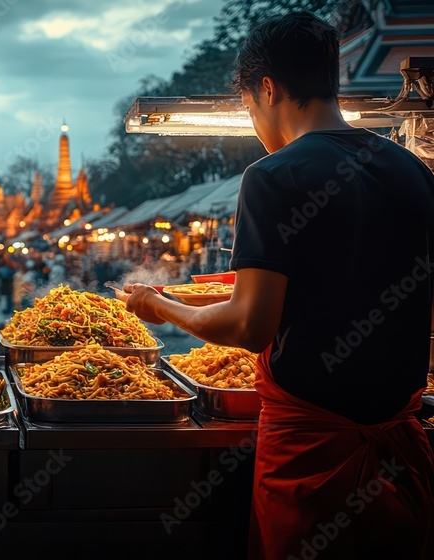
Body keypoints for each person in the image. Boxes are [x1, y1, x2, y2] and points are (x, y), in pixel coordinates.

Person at [119, 13, 434, 559]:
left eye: (248, 108)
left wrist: (160, 304)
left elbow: (249, 325)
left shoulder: (273, 175)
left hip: (312, 456)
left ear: (267, 89)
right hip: (402, 455)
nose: (256, 125)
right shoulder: (415, 172)